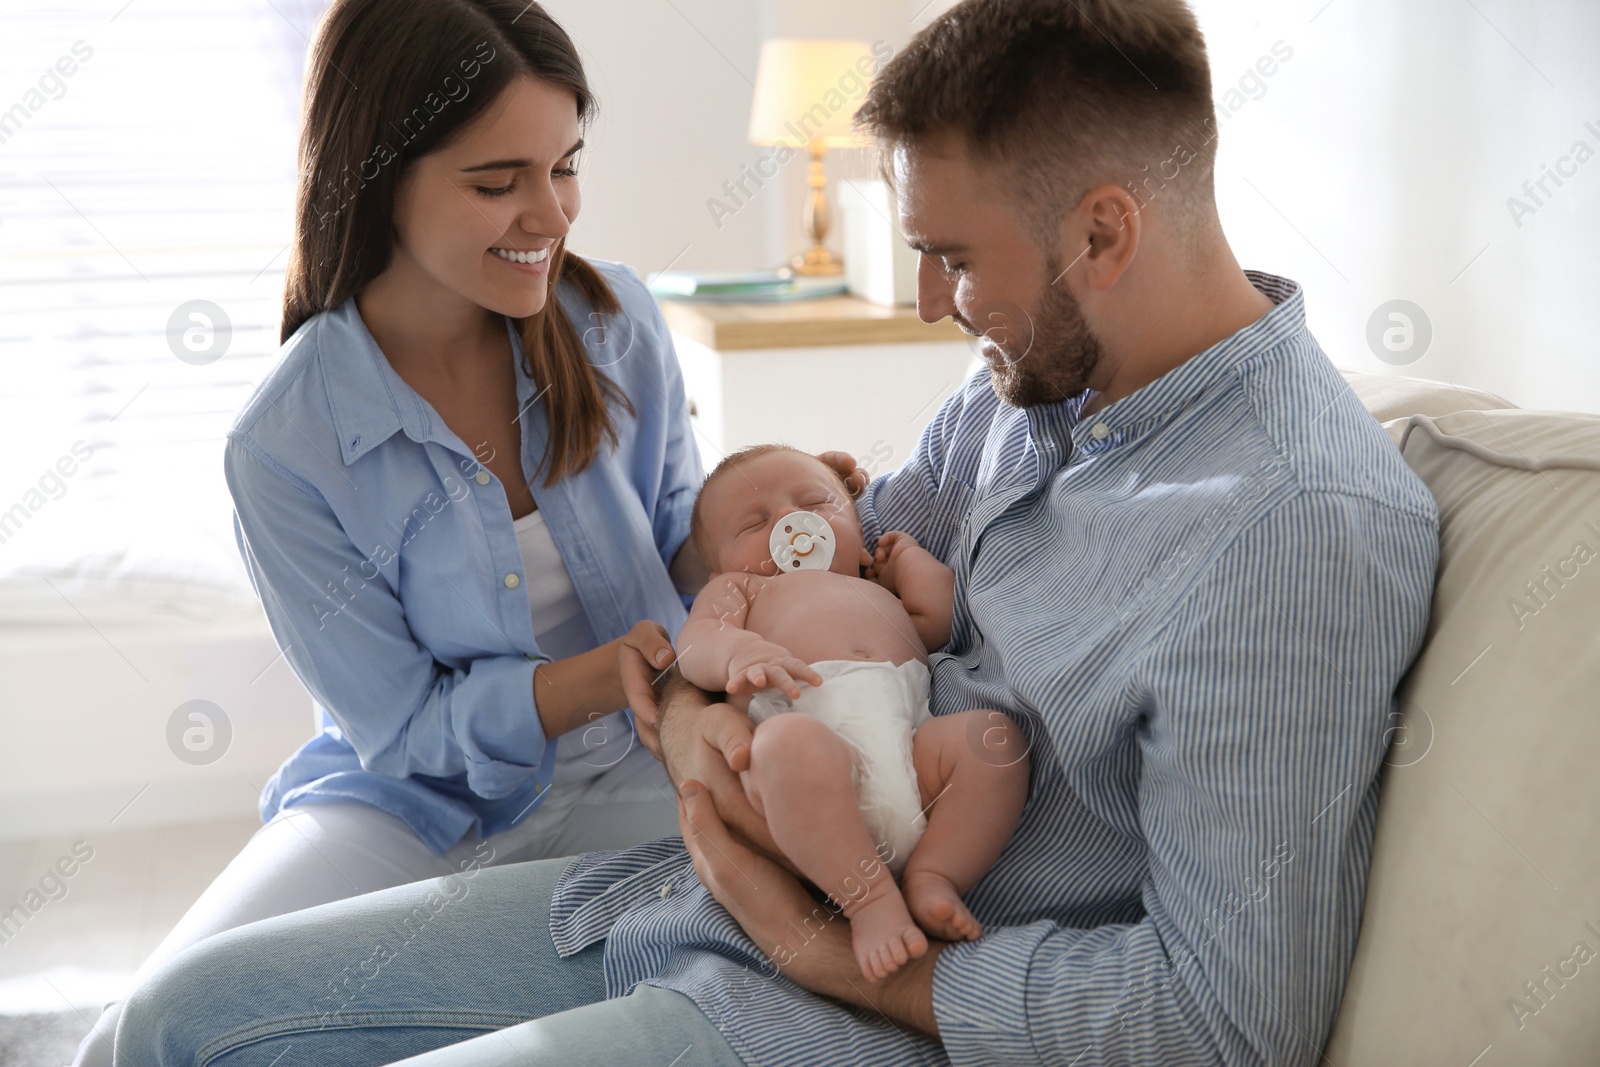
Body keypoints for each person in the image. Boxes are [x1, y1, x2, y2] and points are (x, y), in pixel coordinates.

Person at [114, 1, 1441, 1065]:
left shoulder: (1292, 533)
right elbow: (815, 566)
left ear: (1102, 233)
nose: (929, 304)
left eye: (952, 257)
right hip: (695, 882)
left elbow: (1225, 1022)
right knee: (180, 1021)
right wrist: (711, 694)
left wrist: (837, 947)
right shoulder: (1033, 388)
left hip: (829, 1002)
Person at [677, 444, 1030, 982]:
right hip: (809, 756)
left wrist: (909, 558)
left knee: (993, 741)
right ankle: (868, 903)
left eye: (817, 503)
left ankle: (934, 874)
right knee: (787, 747)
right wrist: (736, 652)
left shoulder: (873, 586)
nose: (791, 523)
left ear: (857, 528)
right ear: (718, 567)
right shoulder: (742, 588)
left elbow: (938, 620)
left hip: (912, 753)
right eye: (753, 523)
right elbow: (696, 643)